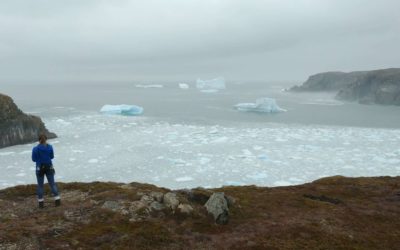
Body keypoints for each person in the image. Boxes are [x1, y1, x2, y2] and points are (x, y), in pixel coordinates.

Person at [32, 134, 61, 208]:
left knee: (40, 186)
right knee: (52, 184)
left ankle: (41, 204)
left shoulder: (35, 149)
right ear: (46, 139)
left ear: (39, 140)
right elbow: (52, 156)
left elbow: (33, 159)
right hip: (49, 167)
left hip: (39, 168)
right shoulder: (50, 147)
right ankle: (57, 201)